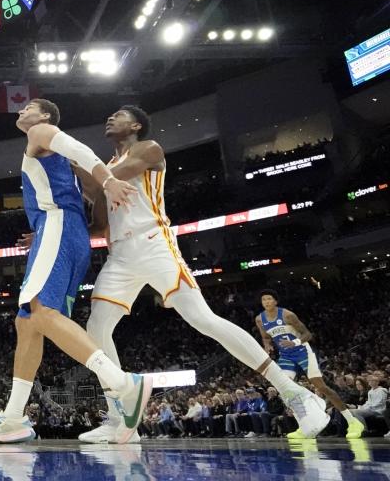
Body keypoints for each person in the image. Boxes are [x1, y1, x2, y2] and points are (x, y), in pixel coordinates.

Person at [77, 105, 331, 443]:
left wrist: (72, 157)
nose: (110, 118)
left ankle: (294, 392)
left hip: (154, 242)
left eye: (119, 115)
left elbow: (112, 179)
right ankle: (120, 417)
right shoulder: (105, 168)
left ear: (136, 125)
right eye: (109, 115)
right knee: (96, 327)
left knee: (202, 319)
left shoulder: (148, 150)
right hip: (120, 254)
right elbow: (98, 220)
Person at [0, 99, 152, 445]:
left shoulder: (41, 132)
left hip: (59, 225)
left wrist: (109, 180)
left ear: (46, 116)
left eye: (28, 108)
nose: (21, 113)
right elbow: (75, 189)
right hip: (63, 229)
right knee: (27, 322)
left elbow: (79, 149)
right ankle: (13, 419)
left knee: (41, 311)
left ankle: (123, 383)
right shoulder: (49, 152)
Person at [256, 289, 365, 438]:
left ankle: (353, 422)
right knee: (286, 391)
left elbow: (308, 334)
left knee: (321, 386)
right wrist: (267, 346)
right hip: (286, 356)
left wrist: (294, 342)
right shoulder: (260, 319)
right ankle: (304, 425)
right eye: (264, 300)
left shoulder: (287, 315)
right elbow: (266, 337)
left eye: (269, 299)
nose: (266, 302)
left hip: (303, 352)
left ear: (275, 301)